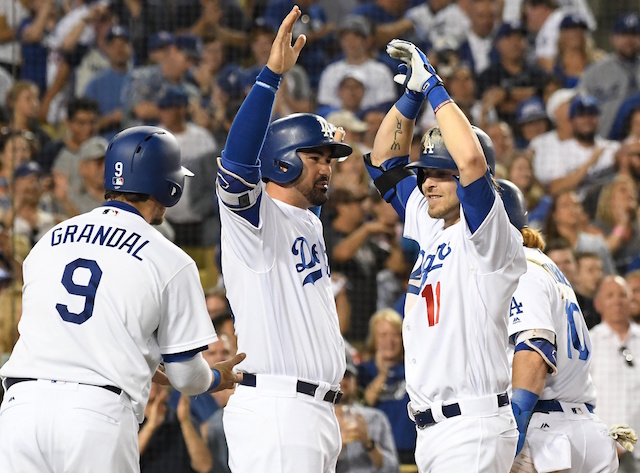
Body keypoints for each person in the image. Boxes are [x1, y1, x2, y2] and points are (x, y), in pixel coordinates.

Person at [0, 125, 244, 472]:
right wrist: (218, 378)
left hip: (20, 409)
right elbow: (188, 378)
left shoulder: (50, 237)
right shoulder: (170, 258)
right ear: (169, 186)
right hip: (95, 415)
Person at [363, 39, 526, 471]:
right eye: (426, 174)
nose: (428, 184)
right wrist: (412, 96)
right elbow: (382, 163)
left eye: (441, 175)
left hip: (471, 425)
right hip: (433, 432)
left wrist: (435, 86)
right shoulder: (432, 223)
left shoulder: (490, 236)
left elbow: (471, 161)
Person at [217, 8, 350, 473]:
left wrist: (321, 136)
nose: (327, 167)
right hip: (278, 409)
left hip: (311, 413)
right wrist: (272, 76)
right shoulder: (255, 222)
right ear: (281, 162)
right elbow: (235, 164)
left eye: (329, 158)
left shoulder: (306, 220)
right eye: (315, 157)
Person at [496, 178, 619, 472]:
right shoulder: (545, 264)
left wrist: (513, 436)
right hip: (581, 427)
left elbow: (534, 350)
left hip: (546, 433)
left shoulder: (519, 269)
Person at [590, 276, 640, 473]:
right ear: (598, 304)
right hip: (605, 451)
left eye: (622, 295)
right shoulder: (589, 343)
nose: (617, 301)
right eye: (610, 295)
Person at [336, 355, 399, 473]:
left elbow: (393, 468)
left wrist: (368, 443)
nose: (343, 382)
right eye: (338, 376)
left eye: (347, 376)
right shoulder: (321, 420)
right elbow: (313, 467)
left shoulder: (376, 418)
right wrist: (339, 447)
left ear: (355, 382)